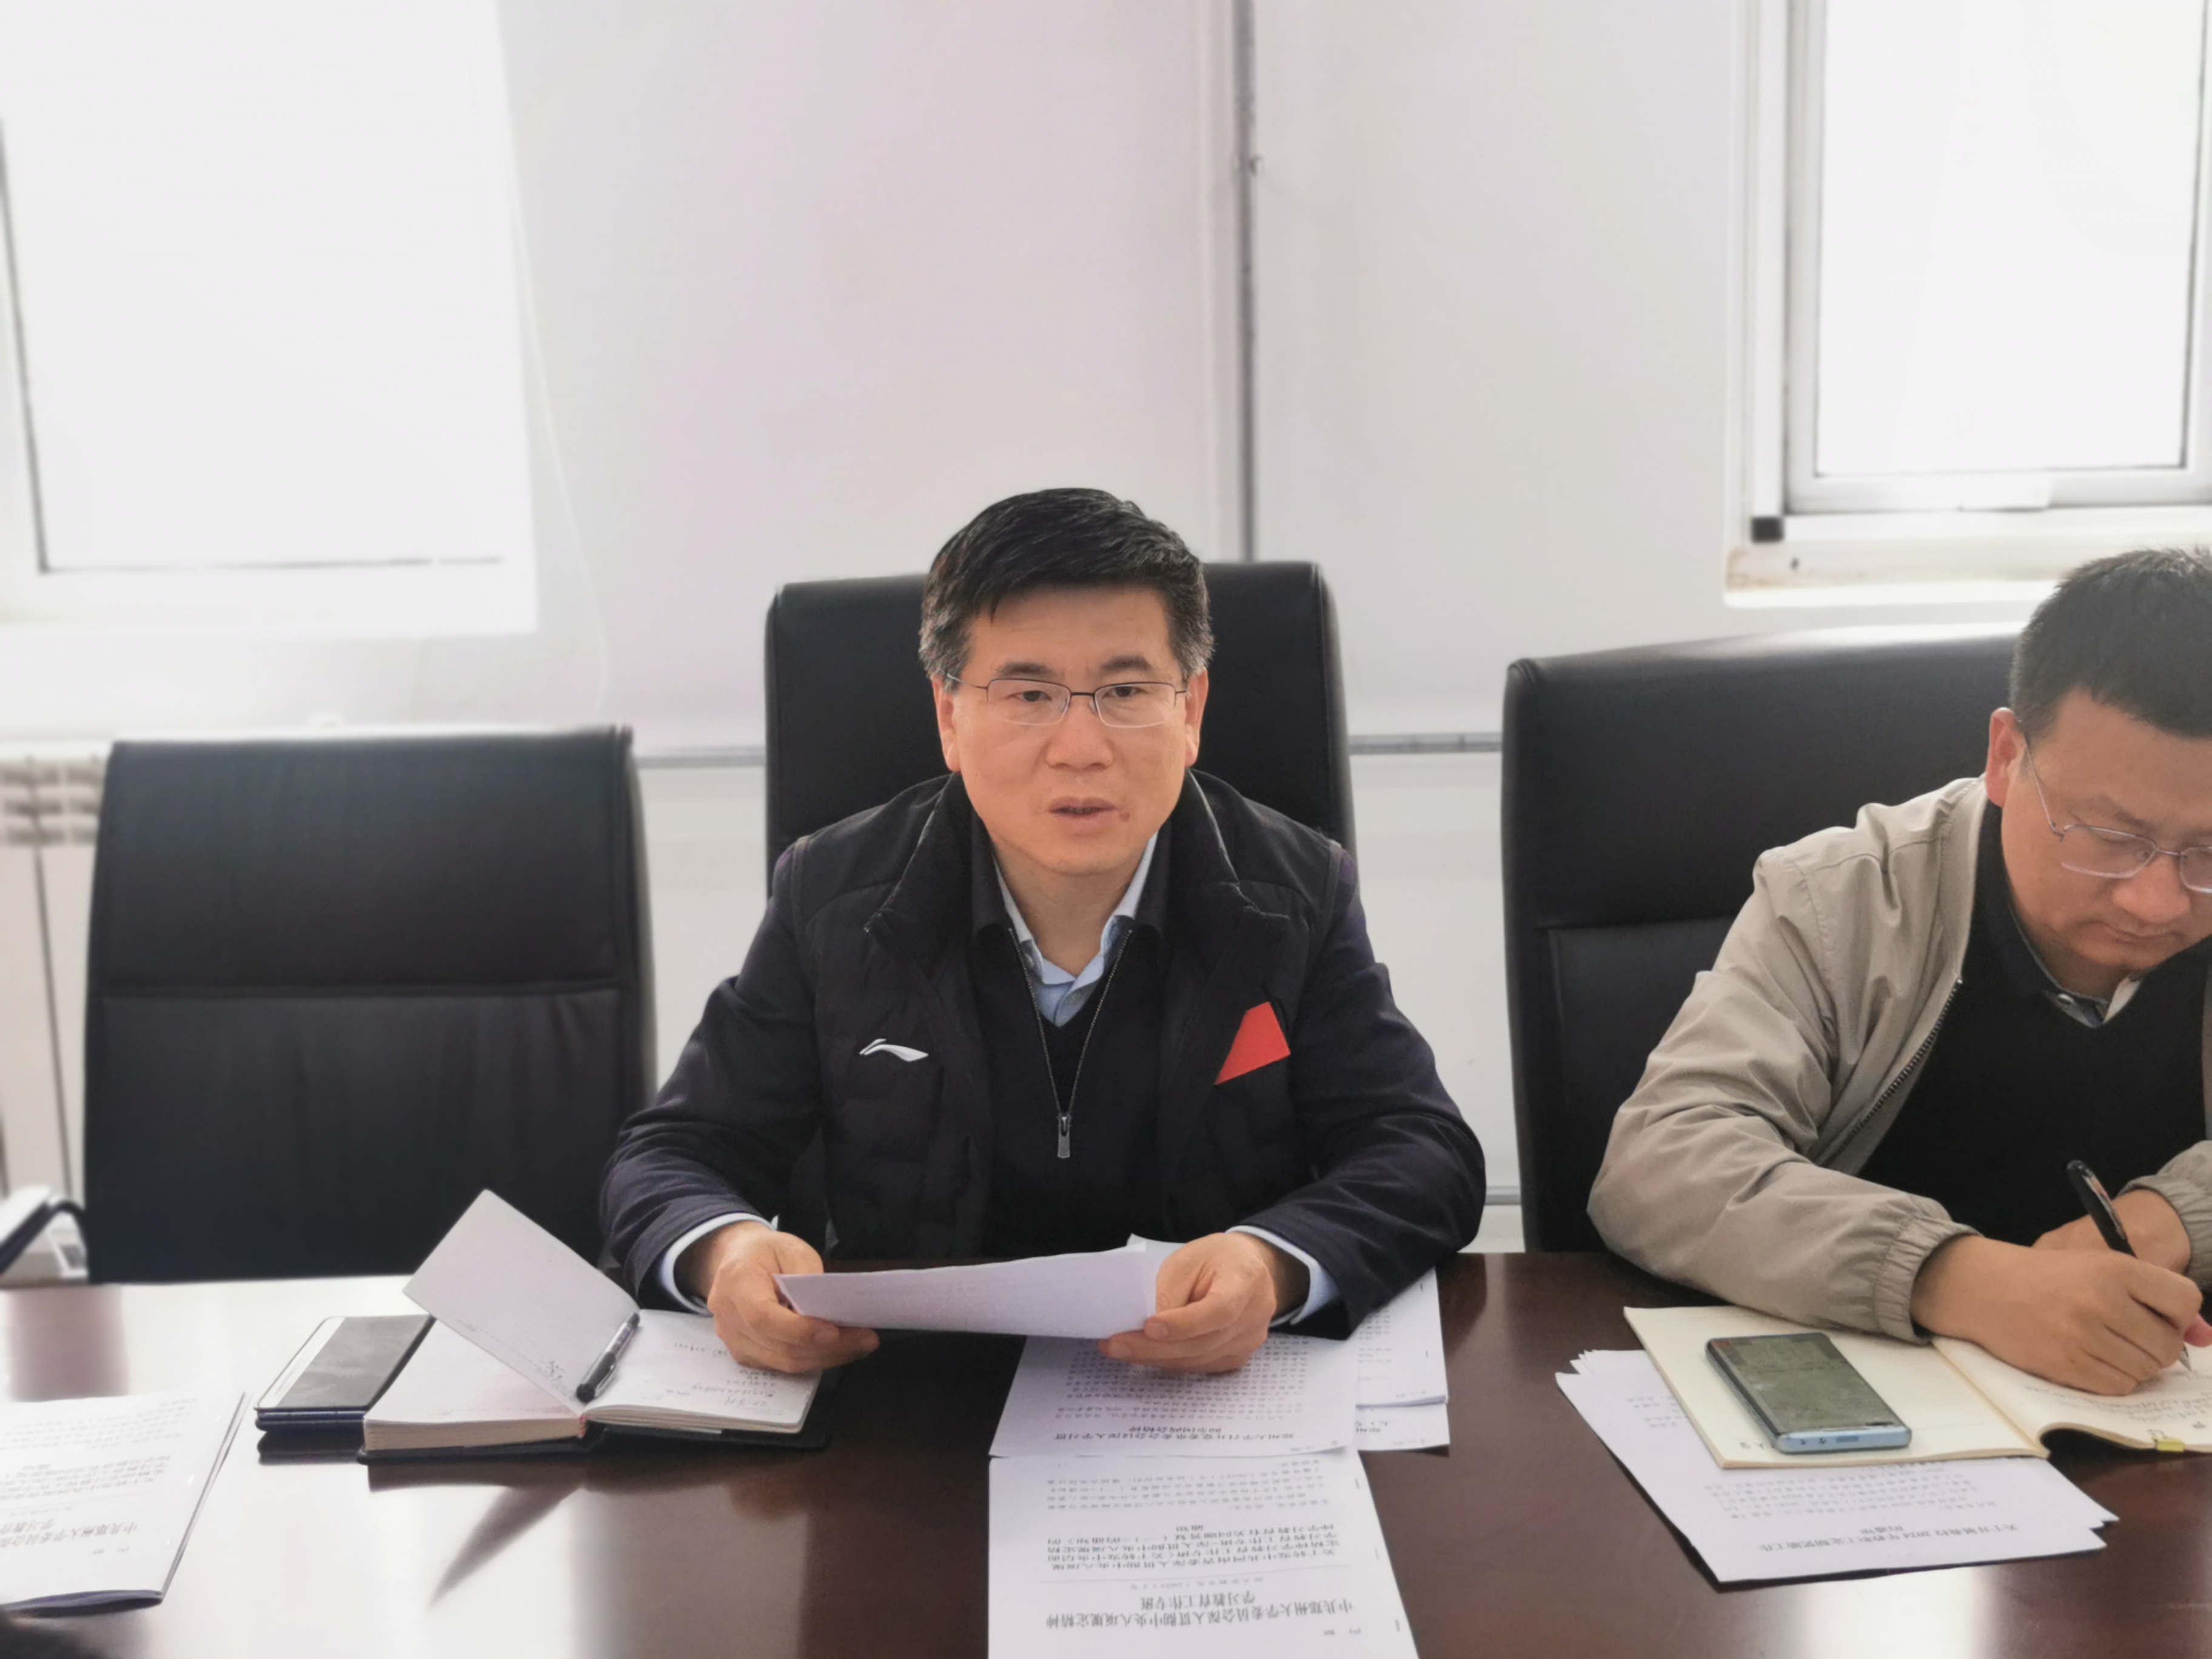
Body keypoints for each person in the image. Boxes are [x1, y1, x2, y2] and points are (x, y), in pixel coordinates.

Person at [602, 488, 1484, 1375]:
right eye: (1029, 694)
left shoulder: (1295, 892)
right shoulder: (832, 898)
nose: (1080, 747)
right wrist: (727, 1252)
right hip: (914, 1397)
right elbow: (673, 1154)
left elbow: (1421, 1151)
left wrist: (1274, 1265)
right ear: (950, 717)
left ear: (1190, 711)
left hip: (1193, 1392)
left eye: (1126, 690)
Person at [1590, 548, 2212, 1396]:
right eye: (2109, 837)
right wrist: (1960, 1279)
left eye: (2207, 851)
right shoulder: (1841, 897)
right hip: (1876, 1394)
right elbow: (1662, 1166)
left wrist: (2178, 1214)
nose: (2155, 900)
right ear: (2006, 756)